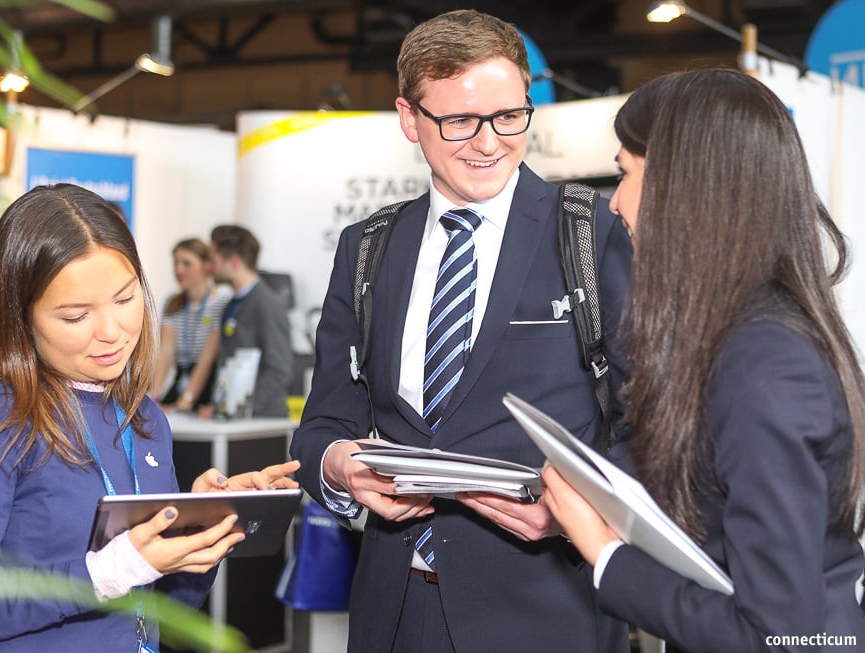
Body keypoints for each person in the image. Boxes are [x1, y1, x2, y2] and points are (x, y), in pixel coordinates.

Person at [290, 9, 632, 652]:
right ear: (408, 119)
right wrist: (339, 466)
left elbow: (653, 425)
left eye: (509, 116)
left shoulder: (593, 233)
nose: (488, 142)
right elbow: (322, 424)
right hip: (392, 609)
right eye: (459, 121)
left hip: (549, 611)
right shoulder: (367, 248)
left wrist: (576, 513)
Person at [541, 69, 865, 651]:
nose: (614, 204)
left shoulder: (764, 362)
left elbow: (775, 635)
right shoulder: (736, 340)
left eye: (625, 173)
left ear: (680, 184)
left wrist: (606, 554)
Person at [0, 183, 299, 652]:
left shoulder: (144, 418)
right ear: (19, 315)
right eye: (76, 317)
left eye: (125, 298)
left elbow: (162, 607)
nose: (112, 332)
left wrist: (196, 531)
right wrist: (108, 571)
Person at [204, 224, 293, 418]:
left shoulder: (267, 304)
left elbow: (279, 370)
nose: (208, 267)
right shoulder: (230, 306)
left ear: (234, 262)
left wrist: (241, 408)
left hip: (261, 426)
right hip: (236, 422)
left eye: (213, 260)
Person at [149, 238, 232, 413]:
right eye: (176, 263)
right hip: (182, 379)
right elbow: (165, 353)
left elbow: (207, 359)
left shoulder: (222, 301)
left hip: (207, 384)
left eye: (186, 263)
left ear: (206, 266)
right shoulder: (172, 303)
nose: (179, 270)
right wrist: (153, 398)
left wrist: (186, 401)